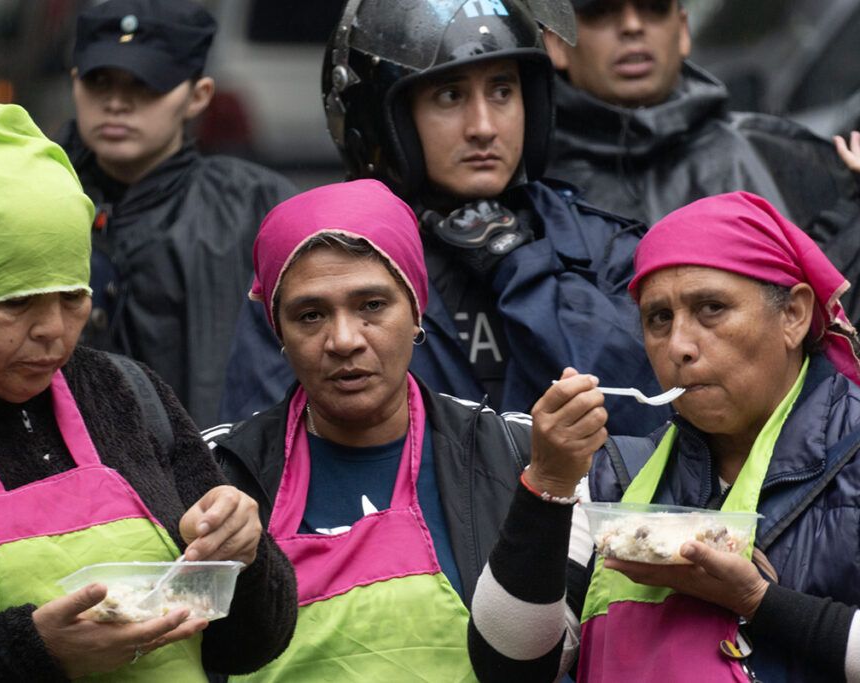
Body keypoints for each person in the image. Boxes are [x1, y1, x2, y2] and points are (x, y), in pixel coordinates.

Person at [0, 96, 296, 680]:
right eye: (15, 303)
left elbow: (252, 646)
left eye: (72, 297)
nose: (54, 332)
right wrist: (34, 650)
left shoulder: (128, 394)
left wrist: (244, 558)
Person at [219, 0, 667, 437]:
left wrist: (521, 266)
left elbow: (641, 418)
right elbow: (262, 459)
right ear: (383, 117)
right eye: (450, 96)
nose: (484, 126)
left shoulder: (603, 246)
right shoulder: (314, 264)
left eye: (502, 91)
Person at [468, 191, 860, 682]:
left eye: (711, 308)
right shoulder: (616, 477)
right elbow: (509, 668)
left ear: (794, 315)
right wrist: (547, 483)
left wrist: (758, 602)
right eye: (659, 319)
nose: (678, 346)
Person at [204, 180, 540, 680]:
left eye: (372, 306)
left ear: (415, 310)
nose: (343, 340)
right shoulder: (218, 473)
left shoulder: (516, 455)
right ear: (280, 332)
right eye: (311, 315)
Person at [57, 0, 297, 426]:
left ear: (198, 96)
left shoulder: (256, 205)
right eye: (99, 81)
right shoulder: (36, 199)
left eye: (146, 84)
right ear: (75, 83)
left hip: (223, 477)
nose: (116, 102)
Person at [542, 0, 860, 319]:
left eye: (653, 8)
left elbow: (836, 318)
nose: (632, 27)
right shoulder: (528, 182)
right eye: (601, 11)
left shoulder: (777, 154)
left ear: (682, 30)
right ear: (556, 43)